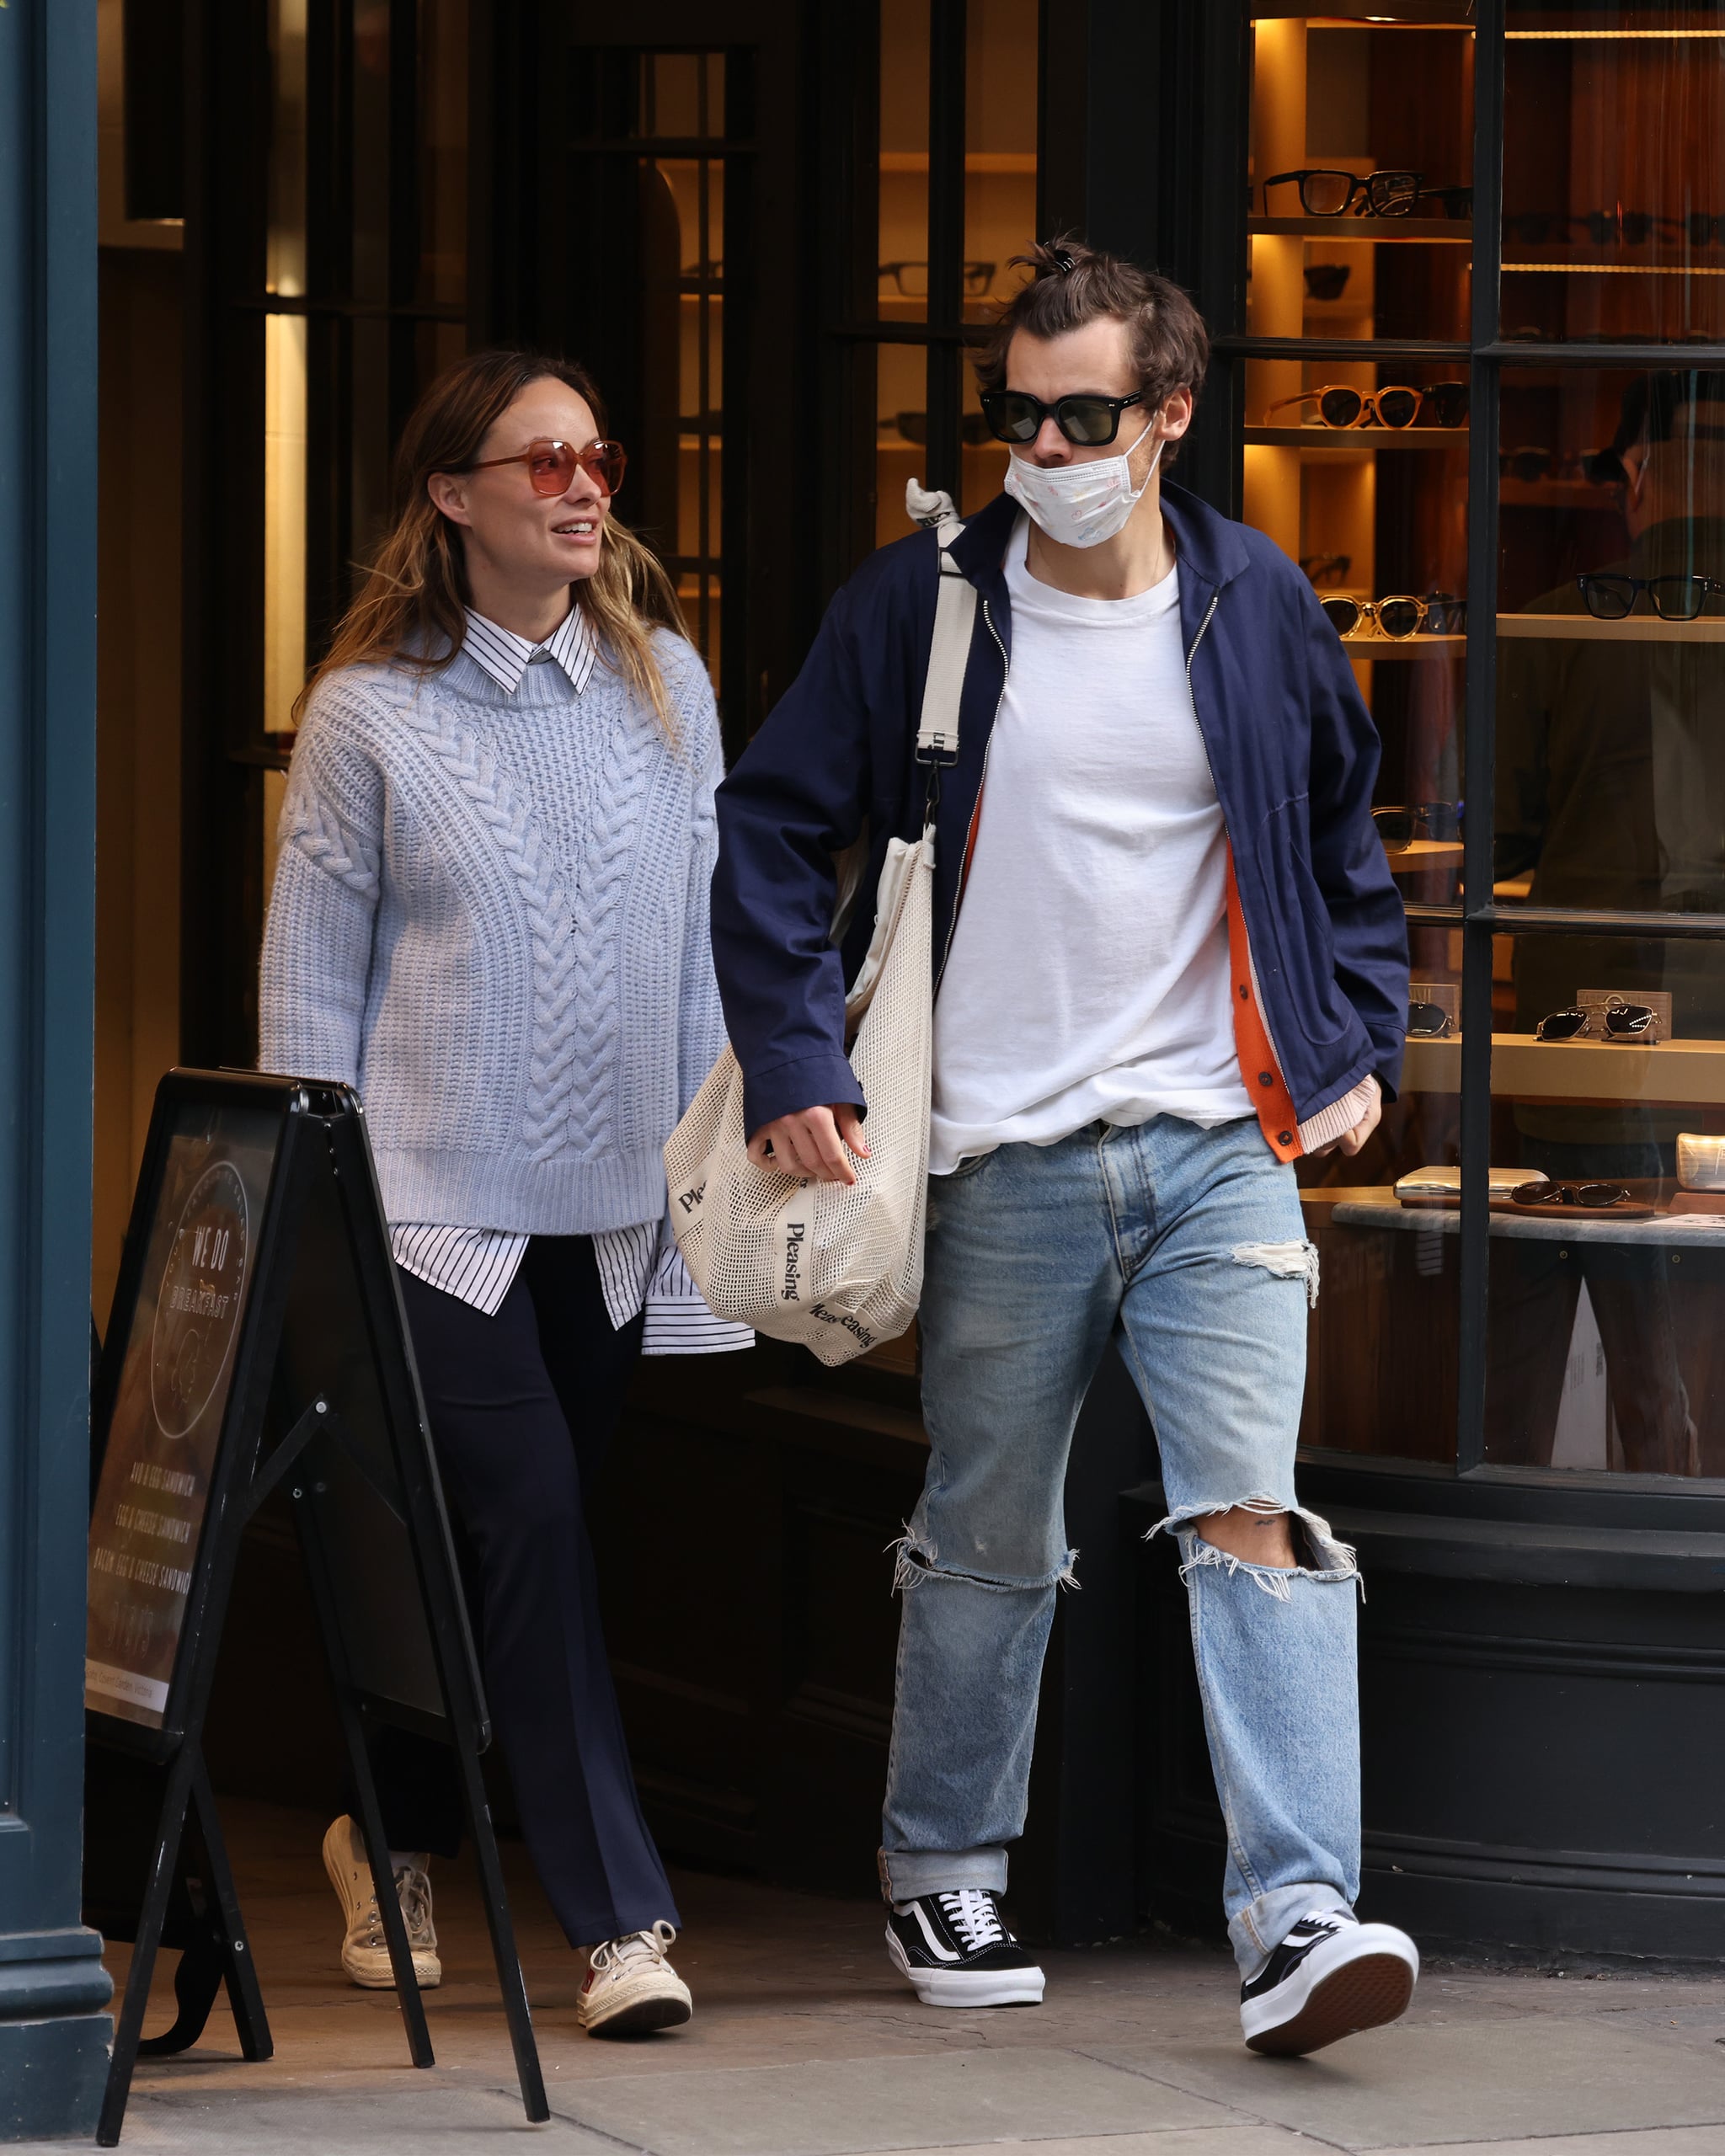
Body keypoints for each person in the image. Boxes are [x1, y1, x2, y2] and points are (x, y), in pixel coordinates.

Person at [708, 237, 1419, 2055]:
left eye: (1079, 413)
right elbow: (775, 828)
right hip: (1000, 1153)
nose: (1042, 444)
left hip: (1213, 1145)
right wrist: (795, 1053)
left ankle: (1294, 1910)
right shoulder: (924, 604)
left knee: (1249, 1518)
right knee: (989, 1530)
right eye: (1016, 412)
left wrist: (1354, 1035)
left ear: (1170, 414)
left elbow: (1344, 838)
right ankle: (939, 1852)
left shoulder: (1255, 604)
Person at [259, 347, 748, 2037]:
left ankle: (381, 1828)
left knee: (491, 1557)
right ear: (451, 496)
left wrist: (714, 1187)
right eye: (538, 461)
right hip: (425, 1214)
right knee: (531, 1514)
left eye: (594, 455)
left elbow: (700, 957)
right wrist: (311, 1230)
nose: (580, 484)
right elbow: (308, 993)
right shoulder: (369, 714)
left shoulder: (668, 684)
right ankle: (622, 1919)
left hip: (608, 1215)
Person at [1492, 370, 1725, 1475]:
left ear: (1635, 477)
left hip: (1582, 1046)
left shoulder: (1548, 627)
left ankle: (1502, 1548)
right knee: (1679, 1355)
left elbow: (1495, 840)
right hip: (1716, 1035)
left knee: (1527, 1351)